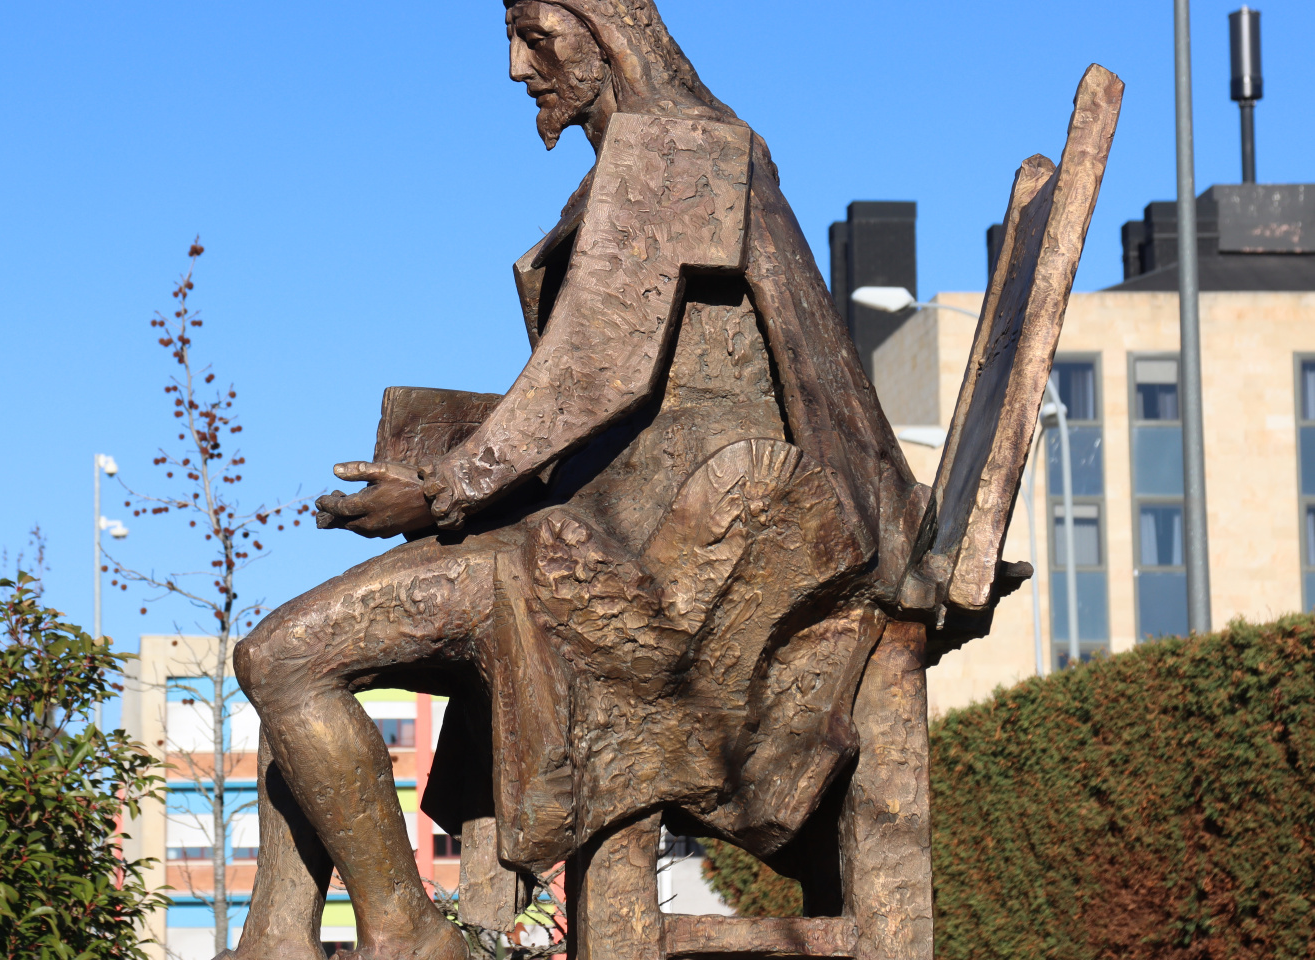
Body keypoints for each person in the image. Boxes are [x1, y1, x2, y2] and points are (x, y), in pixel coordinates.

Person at [226, 4, 924, 960]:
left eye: (537, 33)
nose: (519, 66)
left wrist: (442, 491)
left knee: (283, 657)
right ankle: (277, 939)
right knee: (304, 650)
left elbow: (599, 372)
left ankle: (405, 936)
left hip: (660, 568)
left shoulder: (682, 151)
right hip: (604, 532)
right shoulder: (645, 161)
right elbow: (601, 391)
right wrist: (437, 461)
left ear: (608, 29)